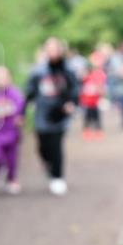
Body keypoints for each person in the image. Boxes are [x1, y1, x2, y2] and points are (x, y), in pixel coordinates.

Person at [24, 38, 79, 196]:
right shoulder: (38, 71)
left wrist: (71, 103)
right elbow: (29, 91)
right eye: (50, 49)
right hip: (42, 115)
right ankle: (48, 164)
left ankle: (58, 177)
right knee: (43, 147)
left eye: (56, 49)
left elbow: (75, 88)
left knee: (56, 145)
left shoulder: (68, 69)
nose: (53, 52)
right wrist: (23, 109)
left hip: (60, 115)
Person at [0, 66, 25, 195]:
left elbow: (20, 107)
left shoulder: (15, 93)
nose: (1, 80)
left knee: (12, 158)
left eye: (4, 77)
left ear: (9, 78)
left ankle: (12, 179)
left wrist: (19, 117)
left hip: (11, 131)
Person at [80, 51, 108, 141]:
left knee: (96, 116)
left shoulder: (101, 74)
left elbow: (102, 86)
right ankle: (86, 131)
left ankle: (98, 131)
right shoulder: (87, 71)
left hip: (95, 100)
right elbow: (82, 80)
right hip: (87, 99)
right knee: (87, 116)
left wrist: (102, 93)